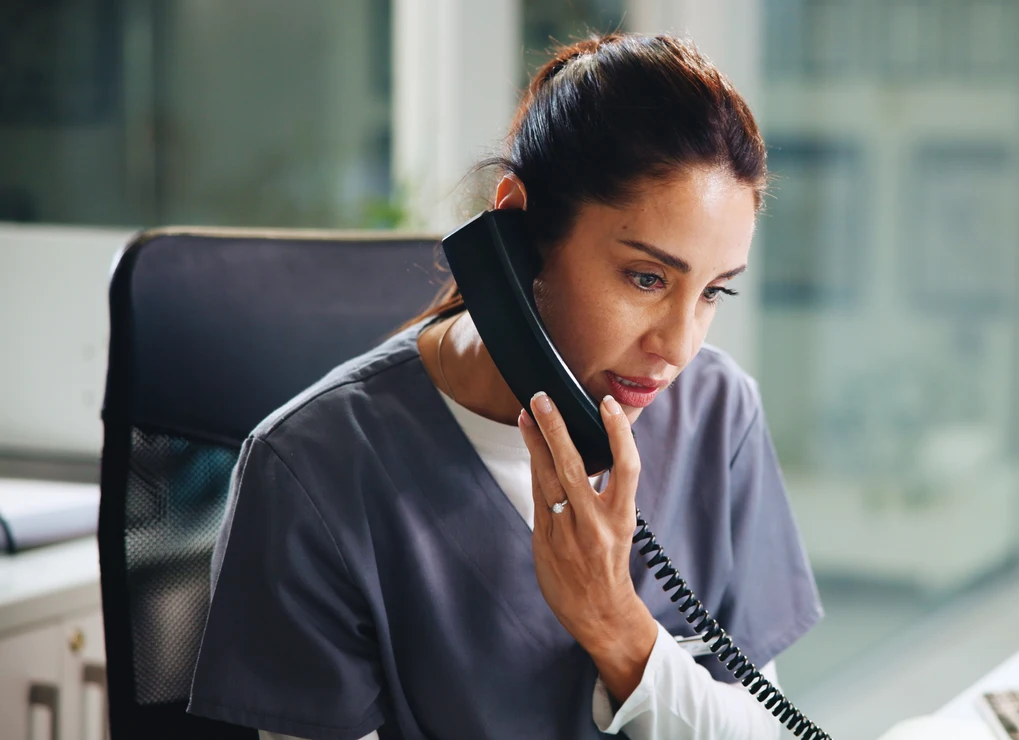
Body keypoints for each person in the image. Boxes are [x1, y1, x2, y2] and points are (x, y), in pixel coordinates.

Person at [188, 32, 822, 740]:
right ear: (519, 224)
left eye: (712, 294)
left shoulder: (719, 415)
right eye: (646, 278)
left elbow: (767, 727)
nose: (678, 347)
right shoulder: (313, 472)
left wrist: (617, 628)